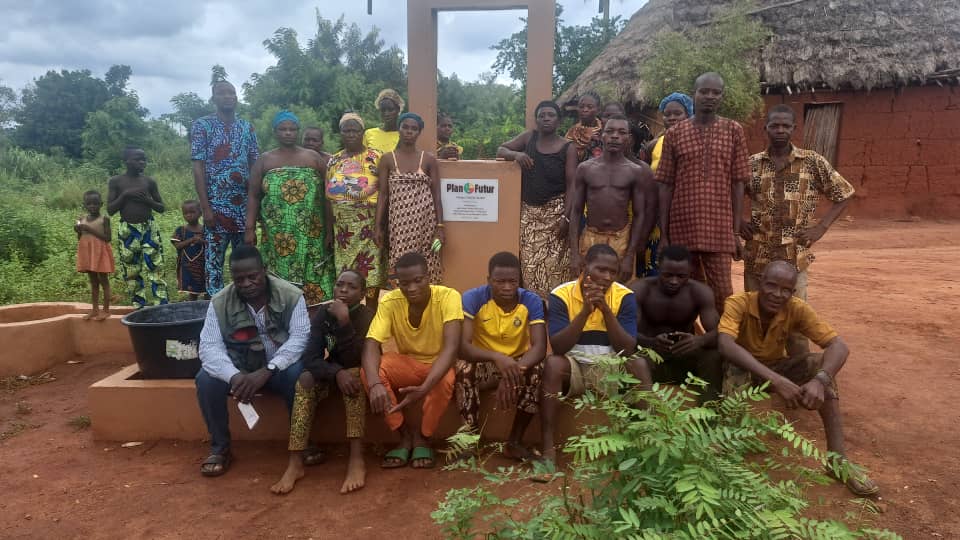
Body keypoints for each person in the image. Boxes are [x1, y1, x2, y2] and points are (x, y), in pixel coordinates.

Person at [718, 261, 879, 497]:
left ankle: (837, 460)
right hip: (745, 367)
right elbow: (725, 345)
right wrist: (775, 380)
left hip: (776, 366)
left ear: (793, 292)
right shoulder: (738, 303)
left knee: (819, 365)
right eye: (771, 286)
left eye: (785, 290)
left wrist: (820, 381)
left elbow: (839, 346)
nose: (777, 294)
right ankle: (729, 458)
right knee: (735, 368)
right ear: (760, 283)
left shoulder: (796, 308)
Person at [742, 104, 855, 356]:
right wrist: (737, 221)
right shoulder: (752, 165)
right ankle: (755, 370)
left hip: (794, 258)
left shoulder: (812, 162)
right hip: (758, 256)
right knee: (754, 317)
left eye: (785, 126)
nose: (780, 130)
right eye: (774, 125)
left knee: (795, 318)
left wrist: (821, 227)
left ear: (794, 128)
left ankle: (799, 368)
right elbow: (732, 193)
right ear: (766, 129)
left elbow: (844, 194)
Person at [195, 245, 309, 477]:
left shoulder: (291, 295)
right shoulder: (219, 302)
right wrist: (234, 376)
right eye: (239, 279)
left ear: (264, 271)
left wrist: (268, 369)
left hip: (277, 370)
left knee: (297, 374)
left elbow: (300, 337)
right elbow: (208, 347)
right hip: (240, 371)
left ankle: (302, 442)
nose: (246, 283)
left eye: (252, 276)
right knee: (205, 379)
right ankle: (220, 448)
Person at [271, 270, 374, 495]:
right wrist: (336, 372)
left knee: (355, 374)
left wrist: (345, 321)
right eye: (339, 285)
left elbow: (357, 357)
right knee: (305, 379)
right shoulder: (322, 315)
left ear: (363, 292)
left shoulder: (368, 316)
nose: (344, 290)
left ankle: (356, 459)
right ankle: (295, 461)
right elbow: (310, 357)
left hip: (357, 372)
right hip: (333, 373)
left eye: (352, 287)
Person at [539, 244, 640, 469]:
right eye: (601, 270)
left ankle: (643, 443)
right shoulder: (560, 294)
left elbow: (627, 349)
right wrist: (585, 311)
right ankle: (547, 449)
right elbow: (558, 346)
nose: (607, 277)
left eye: (612, 272)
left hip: (610, 368)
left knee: (639, 364)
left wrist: (605, 310)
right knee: (553, 364)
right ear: (585, 266)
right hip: (574, 367)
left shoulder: (625, 296)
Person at [655, 73, 750, 314]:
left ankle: (721, 343)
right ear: (694, 93)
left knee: (722, 292)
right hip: (682, 226)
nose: (709, 96)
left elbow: (739, 181)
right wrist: (664, 235)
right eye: (704, 91)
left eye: (715, 92)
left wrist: (735, 231)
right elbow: (665, 184)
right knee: (684, 292)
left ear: (721, 96)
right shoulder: (675, 134)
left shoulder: (733, 130)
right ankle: (689, 341)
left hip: (719, 228)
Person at [362, 252, 463, 469]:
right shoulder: (390, 301)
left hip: (439, 364)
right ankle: (404, 434)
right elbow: (371, 344)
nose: (412, 288)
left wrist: (424, 388)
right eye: (404, 283)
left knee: (445, 380)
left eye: (418, 280)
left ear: (429, 276)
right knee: (370, 372)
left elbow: (452, 347)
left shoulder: (449, 296)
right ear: (397, 283)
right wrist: (375, 384)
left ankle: (424, 437)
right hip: (408, 364)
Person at [455, 252, 546, 460]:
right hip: (484, 363)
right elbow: (462, 347)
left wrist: (513, 370)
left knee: (538, 370)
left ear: (519, 280)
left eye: (512, 281)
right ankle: (470, 441)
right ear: (488, 280)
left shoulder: (531, 301)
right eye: (499, 281)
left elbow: (539, 348)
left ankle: (514, 442)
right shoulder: (473, 298)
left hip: (519, 363)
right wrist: (498, 358)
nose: (506, 287)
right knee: (462, 367)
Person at [245, 110, 335, 306]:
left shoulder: (313, 158)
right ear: (275, 132)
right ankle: (282, 316)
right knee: (279, 277)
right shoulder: (264, 160)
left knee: (315, 273)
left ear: (298, 131)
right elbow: (253, 196)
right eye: (283, 129)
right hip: (278, 235)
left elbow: (329, 196)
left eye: (292, 129)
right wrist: (250, 229)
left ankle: (316, 323)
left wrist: (330, 230)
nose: (288, 133)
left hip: (312, 233)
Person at [497, 101, 578, 299]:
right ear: (537, 119)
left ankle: (555, 313)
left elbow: (572, 186)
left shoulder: (568, 148)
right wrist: (516, 154)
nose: (546, 118)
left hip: (557, 216)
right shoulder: (528, 138)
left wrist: (566, 218)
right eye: (542, 115)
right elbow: (501, 150)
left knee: (556, 268)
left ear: (558, 120)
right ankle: (536, 311)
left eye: (551, 115)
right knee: (530, 267)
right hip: (529, 217)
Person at [191, 80, 260, 296]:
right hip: (216, 209)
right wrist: (206, 208)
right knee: (214, 264)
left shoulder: (247, 127)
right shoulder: (202, 126)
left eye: (232, 93)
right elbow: (198, 167)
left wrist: (255, 211)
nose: (228, 96)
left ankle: (245, 304)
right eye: (222, 93)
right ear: (213, 98)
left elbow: (255, 168)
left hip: (243, 210)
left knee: (246, 263)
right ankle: (216, 309)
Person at [567, 114, 654, 283]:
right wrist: (575, 253)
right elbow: (576, 211)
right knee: (588, 289)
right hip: (590, 237)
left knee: (619, 294)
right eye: (610, 131)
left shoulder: (634, 171)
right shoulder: (586, 168)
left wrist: (630, 255)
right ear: (602, 136)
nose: (615, 136)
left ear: (628, 138)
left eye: (622, 132)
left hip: (621, 239)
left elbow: (639, 214)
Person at [630, 245, 722, 403]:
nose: (674, 281)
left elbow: (720, 333)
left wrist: (699, 340)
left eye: (681, 276)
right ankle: (638, 417)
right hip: (649, 356)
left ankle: (709, 413)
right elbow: (626, 332)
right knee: (633, 360)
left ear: (691, 271)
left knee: (713, 356)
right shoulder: (640, 289)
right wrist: (651, 342)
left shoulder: (700, 292)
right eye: (668, 275)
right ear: (658, 266)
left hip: (683, 356)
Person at [327, 112, 387, 312]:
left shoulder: (377, 157)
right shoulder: (333, 161)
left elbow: (385, 192)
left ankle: (369, 326)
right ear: (340, 133)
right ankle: (346, 323)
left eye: (355, 130)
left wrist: (380, 226)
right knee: (344, 281)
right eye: (346, 130)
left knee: (370, 279)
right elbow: (327, 196)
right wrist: (329, 231)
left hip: (368, 229)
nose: (350, 134)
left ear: (362, 132)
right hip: (343, 231)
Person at [376, 112, 444, 283]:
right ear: (399, 128)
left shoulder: (428, 159)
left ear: (419, 132)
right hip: (399, 224)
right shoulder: (387, 159)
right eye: (405, 127)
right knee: (400, 264)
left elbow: (437, 195)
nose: (409, 131)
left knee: (426, 263)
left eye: (414, 128)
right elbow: (383, 195)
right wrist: (378, 226)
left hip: (425, 222)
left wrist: (440, 227)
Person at [636, 92, 694, 278]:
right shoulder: (653, 145)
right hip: (657, 213)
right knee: (655, 263)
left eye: (678, 113)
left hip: (685, 213)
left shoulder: (695, 142)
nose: (672, 118)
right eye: (667, 114)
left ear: (689, 114)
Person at [107, 146, 169, 307]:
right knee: (131, 270)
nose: (142, 162)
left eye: (144, 159)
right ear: (126, 161)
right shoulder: (116, 182)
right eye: (137, 159)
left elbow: (161, 208)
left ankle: (161, 305)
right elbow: (110, 210)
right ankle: (138, 306)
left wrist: (147, 201)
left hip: (149, 228)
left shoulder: (149, 182)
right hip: (127, 230)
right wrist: (125, 195)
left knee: (156, 267)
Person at [75, 190, 114, 320]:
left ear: (101, 204)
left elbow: (108, 238)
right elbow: (80, 237)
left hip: (100, 253)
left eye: (95, 204)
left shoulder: (104, 219)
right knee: (93, 282)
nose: (92, 206)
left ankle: (106, 309)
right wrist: (78, 230)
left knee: (104, 281)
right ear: (84, 205)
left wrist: (89, 229)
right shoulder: (82, 219)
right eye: (89, 204)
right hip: (88, 253)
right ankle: (95, 310)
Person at [170, 200, 206, 301]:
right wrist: (192, 240)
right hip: (187, 266)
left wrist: (202, 241)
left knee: (206, 289)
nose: (189, 215)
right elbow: (177, 246)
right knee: (192, 292)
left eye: (192, 212)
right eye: (185, 213)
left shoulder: (205, 230)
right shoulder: (181, 230)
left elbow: (211, 244)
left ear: (200, 213)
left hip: (203, 265)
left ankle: (208, 309)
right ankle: (192, 308)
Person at [564, 91, 604, 163]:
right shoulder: (572, 133)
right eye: (581, 107)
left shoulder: (605, 131)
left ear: (598, 110)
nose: (585, 110)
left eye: (590, 107)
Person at [363, 89, 403, 153]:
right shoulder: (369, 134)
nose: (386, 114)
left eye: (390, 109)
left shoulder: (404, 136)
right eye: (383, 110)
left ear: (398, 110)